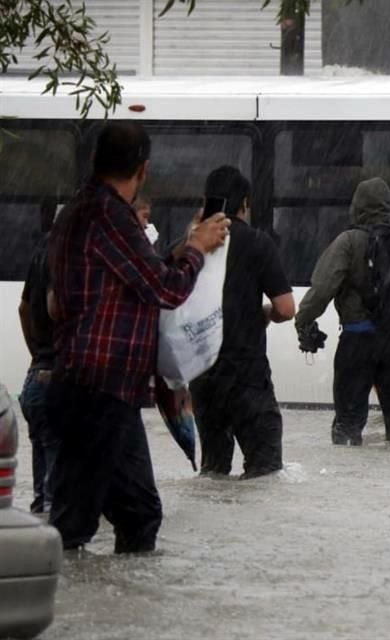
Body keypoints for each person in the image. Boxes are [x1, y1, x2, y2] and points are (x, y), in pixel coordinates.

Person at [45, 122, 230, 553]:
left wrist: (188, 245)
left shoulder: (80, 209)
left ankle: (112, 609)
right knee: (74, 523)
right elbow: (167, 289)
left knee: (138, 514)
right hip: (98, 388)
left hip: (98, 387)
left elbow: (138, 278)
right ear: (143, 169)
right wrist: (197, 250)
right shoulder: (108, 213)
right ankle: (47, 604)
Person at [295, 177, 390, 446]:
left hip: (357, 343)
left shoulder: (347, 243)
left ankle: (349, 483)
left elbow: (322, 289)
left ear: (356, 208)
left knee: (348, 426)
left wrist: (303, 321)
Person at [188, 166, 295, 479]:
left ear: (205, 202)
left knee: (213, 472)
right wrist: (263, 315)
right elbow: (286, 308)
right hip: (246, 378)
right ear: (244, 204)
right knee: (265, 475)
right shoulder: (257, 243)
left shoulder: (189, 247)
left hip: (203, 379)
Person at [17, 235, 57, 514]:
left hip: (35, 377)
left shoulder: (41, 253)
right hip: (58, 381)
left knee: (43, 499)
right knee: (57, 503)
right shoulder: (70, 257)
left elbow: (23, 308)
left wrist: (37, 354)